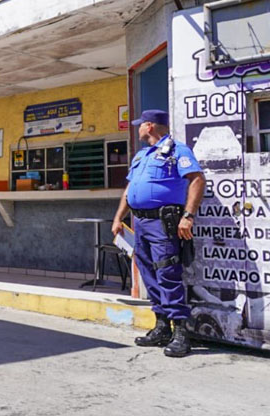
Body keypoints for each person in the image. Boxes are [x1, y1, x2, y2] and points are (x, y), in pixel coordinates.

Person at [111, 109, 205, 358]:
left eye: (140, 125)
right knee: (149, 274)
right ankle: (162, 326)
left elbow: (196, 179)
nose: (138, 129)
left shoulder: (177, 150)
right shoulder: (141, 155)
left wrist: (188, 216)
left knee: (167, 272)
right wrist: (119, 217)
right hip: (140, 223)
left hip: (163, 223)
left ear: (150, 126)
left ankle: (181, 333)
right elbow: (129, 188)